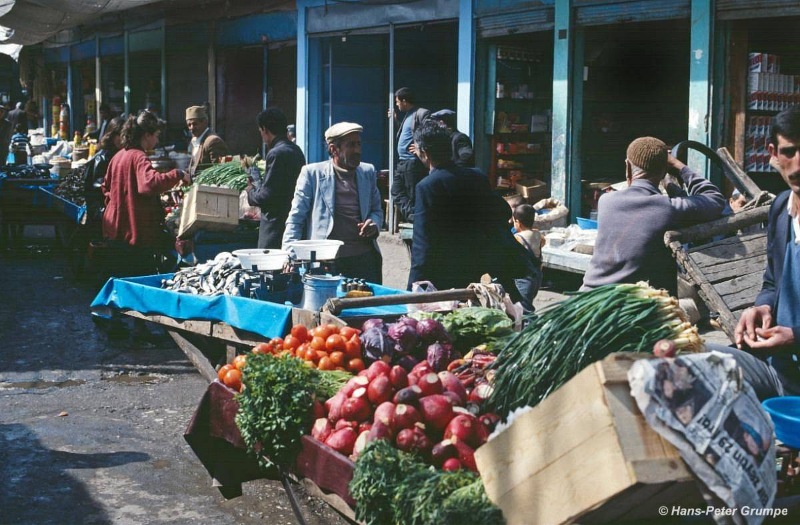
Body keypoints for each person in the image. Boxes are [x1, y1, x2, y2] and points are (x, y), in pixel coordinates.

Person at [714, 104, 800, 399]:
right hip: (778, 370)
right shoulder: (780, 210)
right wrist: (762, 307)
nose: (798, 165)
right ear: (774, 154)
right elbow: (773, 282)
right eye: (789, 152)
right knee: (688, 365)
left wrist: (795, 337)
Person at [580, 136, 725, 297]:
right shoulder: (668, 208)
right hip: (635, 305)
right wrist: (678, 167)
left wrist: (669, 183)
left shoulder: (606, 201)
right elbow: (715, 199)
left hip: (589, 295)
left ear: (627, 167)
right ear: (664, 171)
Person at [408, 119, 529, 302]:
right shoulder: (476, 176)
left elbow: (422, 244)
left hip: (445, 275)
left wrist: (412, 288)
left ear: (424, 153)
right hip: (476, 270)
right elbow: (503, 211)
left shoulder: (427, 186)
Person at [282, 122, 383, 283]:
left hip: (363, 259)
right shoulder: (312, 174)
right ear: (333, 149)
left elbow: (376, 210)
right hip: (326, 262)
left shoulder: (368, 172)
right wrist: (289, 256)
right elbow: (296, 218)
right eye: (350, 145)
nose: (357, 150)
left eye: (358, 144)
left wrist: (374, 224)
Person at [101, 110, 192, 277]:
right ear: (146, 135)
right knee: (138, 282)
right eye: (156, 135)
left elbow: (105, 188)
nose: (157, 141)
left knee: (122, 282)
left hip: (115, 232)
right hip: (134, 236)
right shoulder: (139, 156)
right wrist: (177, 174)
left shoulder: (119, 155)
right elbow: (149, 184)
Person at [246, 108, 306, 249]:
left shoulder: (276, 153)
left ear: (265, 130)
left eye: (261, 131)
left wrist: (250, 193)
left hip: (275, 228)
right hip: (294, 223)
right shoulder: (296, 150)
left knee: (269, 268)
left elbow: (268, 195)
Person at [390, 87, 430, 224]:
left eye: (397, 101)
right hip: (403, 162)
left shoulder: (421, 113)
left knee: (412, 194)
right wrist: (395, 121)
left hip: (412, 162)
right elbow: (406, 133)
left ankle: (417, 222)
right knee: (396, 191)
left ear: (404, 101)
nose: (396, 104)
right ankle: (413, 217)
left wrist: (421, 147)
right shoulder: (408, 115)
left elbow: (428, 130)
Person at [84, 117, 125, 222]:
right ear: (112, 136)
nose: (122, 140)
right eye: (119, 135)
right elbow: (99, 191)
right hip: (103, 214)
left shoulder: (120, 154)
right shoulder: (102, 158)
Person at [512, 204, 544, 311]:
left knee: (524, 308)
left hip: (524, 278)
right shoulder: (538, 234)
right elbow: (543, 243)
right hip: (537, 276)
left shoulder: (518, 238)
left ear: (518, 222)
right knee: (528, 302)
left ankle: (531, 326)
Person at [185, 105, 228, 176]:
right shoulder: (195, 140)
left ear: (205, 122)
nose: (191, 128)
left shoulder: (213, 141)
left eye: (195, 124)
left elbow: (220, 171)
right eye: (189, 125)